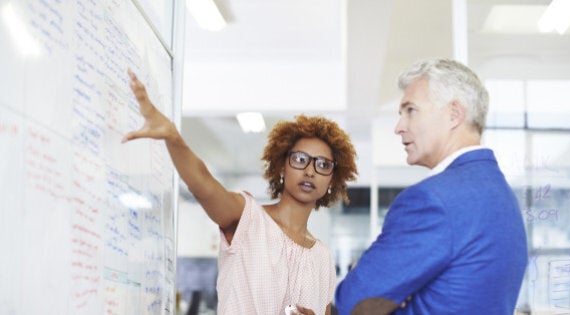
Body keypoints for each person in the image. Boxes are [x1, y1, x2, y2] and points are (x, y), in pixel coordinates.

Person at [123, 69, 358, 315]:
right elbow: (203, 183)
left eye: (323, 165)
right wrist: (173, 138)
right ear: (281, 166)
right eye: (300, 159)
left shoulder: (322, 257)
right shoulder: (247, 219)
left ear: (332, 179)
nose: (310, 171)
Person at [333, 58, 528, 314]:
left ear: (454, 114)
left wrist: (366, 272)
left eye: (410, 110)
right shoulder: (502, 196)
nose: (399, 127)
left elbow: (352, 303)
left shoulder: (432, 201)